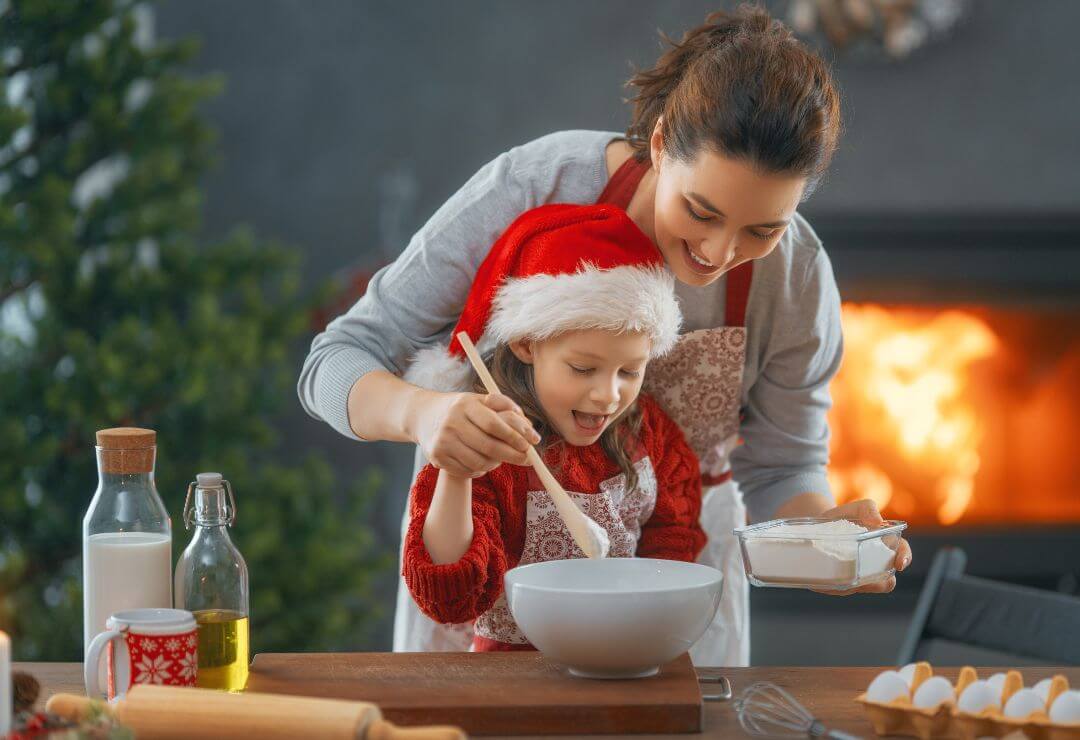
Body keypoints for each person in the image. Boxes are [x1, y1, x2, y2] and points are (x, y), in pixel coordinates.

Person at [297, 5, 913, 665]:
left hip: (679, 584)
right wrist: (423, 414)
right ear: (661, 143)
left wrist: (821, 537)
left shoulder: (796, 277)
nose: (718, 253)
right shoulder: (540, 184)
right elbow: (334, 361)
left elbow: (783, 467)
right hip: (480, 574)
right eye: (700, 211)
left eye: (762, 230)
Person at [401, 203, 707, 650]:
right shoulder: (488, 442)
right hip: (511, 676)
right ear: (527, 344)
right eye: (583, 369)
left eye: (629, 371)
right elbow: (452, 599)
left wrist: (656, 617)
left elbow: (673, 540)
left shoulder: (649, 434)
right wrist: (458, 471)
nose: (608, 395)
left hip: (626, 657)